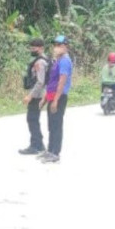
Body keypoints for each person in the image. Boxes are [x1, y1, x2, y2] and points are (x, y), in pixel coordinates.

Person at [40, 35, 73, 164]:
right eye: (55, 45)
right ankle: (50, 150)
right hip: (52, 95)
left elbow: (61, 82)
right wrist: (45, 99)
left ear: (65, 47)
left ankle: (55, 153)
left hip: (59, 97)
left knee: (56, 125)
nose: (56, 48)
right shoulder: (57, 60)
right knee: (51, 125)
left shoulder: (65, 61)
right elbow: (51, 82)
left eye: (59, 45)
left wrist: (55, 100)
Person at [19, 39, 48, 155]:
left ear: (41, 48)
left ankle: (35, 146)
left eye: (34, 48)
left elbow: (40, 82)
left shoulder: (40, 62)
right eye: (31, 48)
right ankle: (39, 145)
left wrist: (30, 96)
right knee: (33, 119)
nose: (32, 50)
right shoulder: (42, 60)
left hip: (37, 96)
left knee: (32, 119)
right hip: (39, 95)